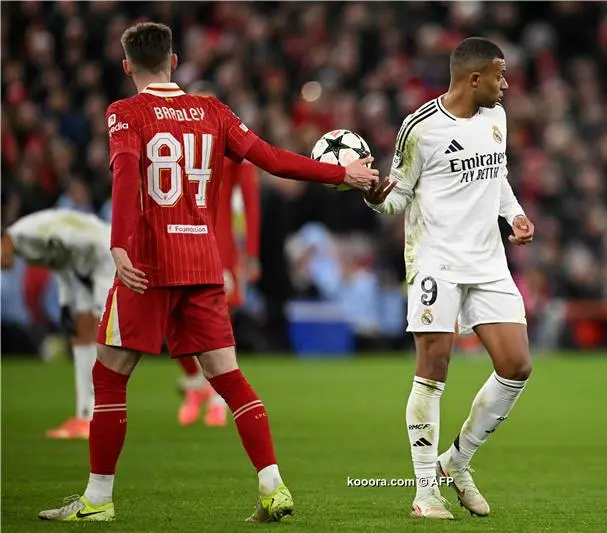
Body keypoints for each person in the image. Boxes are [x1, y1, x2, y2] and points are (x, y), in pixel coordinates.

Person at [39, 21, 377, 524]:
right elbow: (273, 160)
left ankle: (97, 499)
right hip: (202, 263)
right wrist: (339, 172)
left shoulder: (124, 113)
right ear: (174, 61)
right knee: (228, 376)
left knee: (109, 376)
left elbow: (127, 175)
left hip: (148, 266)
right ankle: (272, 487)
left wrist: (119, 247)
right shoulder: (214, 111)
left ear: (127, 64)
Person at [363, 37, 535, 520]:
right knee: (433, 370)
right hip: (436, 263)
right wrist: (376, 196)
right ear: (473, 78)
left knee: (517, 366)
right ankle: (424, 492)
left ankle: (456, 463)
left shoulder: (495, 118)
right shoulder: (420, 129)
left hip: (488, 264)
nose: (505, 85)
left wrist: (514, 215)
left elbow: (497, 175)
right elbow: (397, 198)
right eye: (499, 76)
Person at [174, 81, 262, 428]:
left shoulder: (230, 140)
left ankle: (216, 398)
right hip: (179, 242)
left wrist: (251, 253)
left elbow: (250, 200)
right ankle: (198, 386)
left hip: (220, 248)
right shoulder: (176, 141)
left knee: (217, 324)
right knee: (175, 321)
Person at [1, 209, 115, 439]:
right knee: (81, 333)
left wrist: (85, 251)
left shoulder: (28, 233)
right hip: (84, 265)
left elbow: (69, 236)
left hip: (103, 255)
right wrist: (65, 303)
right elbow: (59, 261)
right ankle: (85, 414)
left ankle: (103, 413)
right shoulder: (24, 247)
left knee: (103, 333)